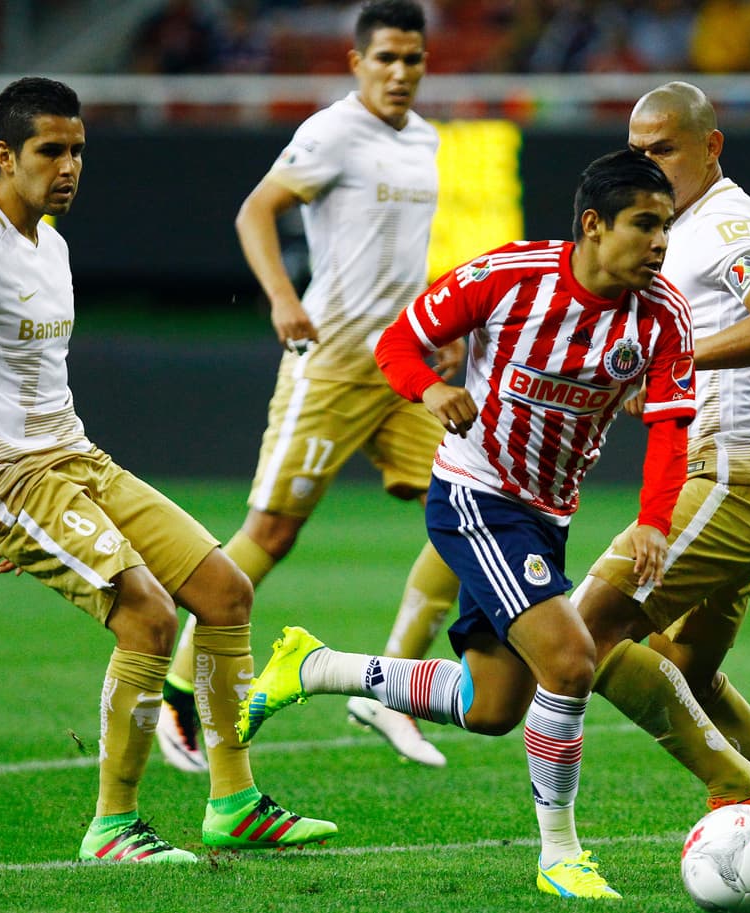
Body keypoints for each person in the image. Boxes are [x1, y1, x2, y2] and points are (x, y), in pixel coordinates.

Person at [239, 149, 750, 900]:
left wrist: (654, 522)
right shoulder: (508, 275)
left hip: (546, 516)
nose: (661, 242)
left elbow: (669, 428)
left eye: (665, 226)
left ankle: (313, 666)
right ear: (594, 225)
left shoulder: (663, 315)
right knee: (570, 662)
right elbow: (396, 341)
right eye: (645, 224)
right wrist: (432, 392)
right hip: (475, 494)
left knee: (493, 705)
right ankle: (560, 851)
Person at [0, 76, 336, 863]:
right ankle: (113, 826)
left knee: (224, 590)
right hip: (16, 477)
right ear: (5, 155)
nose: (69, 165)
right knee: (148, 615)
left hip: (79, 461)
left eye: (78, 149)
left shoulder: (51, 243)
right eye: (51, 150)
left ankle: (235, 803)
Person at [157, 0, 462, 773]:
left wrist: (437, 328)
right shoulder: (331, 132)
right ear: (357, 63)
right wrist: (282, 298)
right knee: (272, 532)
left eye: (413, 59)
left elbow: (398, 255)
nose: (400, 73)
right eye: (386, 58)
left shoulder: (424, 139)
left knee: (471, 511)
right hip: (328, 363)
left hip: (401, 364)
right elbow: (256, 211)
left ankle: (389, 689)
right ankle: (178, 694)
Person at [573, 80, 750, 873]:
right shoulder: (700, 224)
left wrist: (674, 367)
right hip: (746, 477)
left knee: (584, 636)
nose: (647, 163)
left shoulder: (725, 220)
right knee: (689, 672)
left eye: (663, 148)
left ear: (710, 145)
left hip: (727, 479)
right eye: (637, 150)